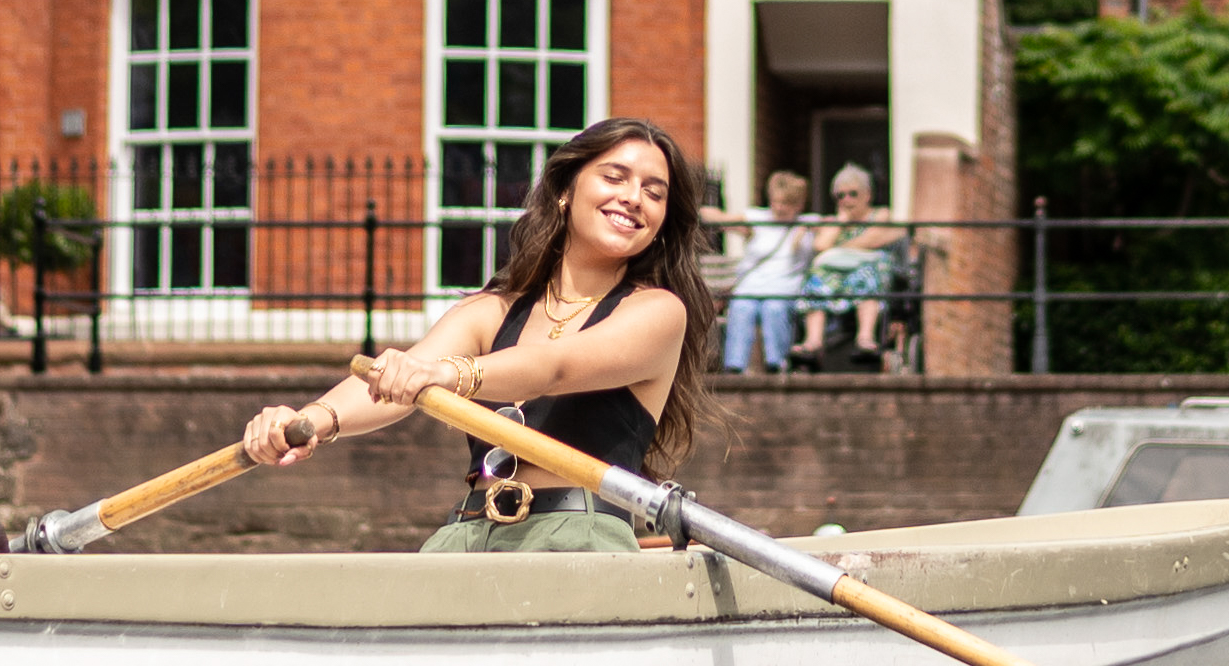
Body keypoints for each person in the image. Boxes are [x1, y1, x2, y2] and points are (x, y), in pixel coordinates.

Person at [241, 115, 712, 552]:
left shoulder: (658, 312)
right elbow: (395, 381)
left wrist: (444, 375)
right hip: (465, 532)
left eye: (654, 192)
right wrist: (305, 422)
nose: (633, 197)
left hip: (579, 536)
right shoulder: (492, 309)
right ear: (567, 189)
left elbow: (553, 367)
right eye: (614, 177)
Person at [803, 162, 904, 371]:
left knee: (866, 276)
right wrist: (841, 221)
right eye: (841, 196)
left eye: (852, 194)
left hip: (867, 271)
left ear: (867, 195)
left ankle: (865, 338)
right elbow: (820, 246)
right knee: (816, 278)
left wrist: (839, 249)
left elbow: (874, 239)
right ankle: (813, 342)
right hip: (836, 277)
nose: (847, 200)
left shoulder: (880, 215)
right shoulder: (835, 221)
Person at [720, 168, 814, 373]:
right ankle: (734, 367)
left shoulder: (807, 223)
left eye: (786, 203)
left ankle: (776, 364)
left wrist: (806, 234)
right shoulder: (756, 217)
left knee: (774, 308)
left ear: (798, 204)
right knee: (741, 308)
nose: (779, 207)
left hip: (783, 287)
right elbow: (718, 217)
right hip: (750, 286)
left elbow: (834, 228)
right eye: (775, 201)